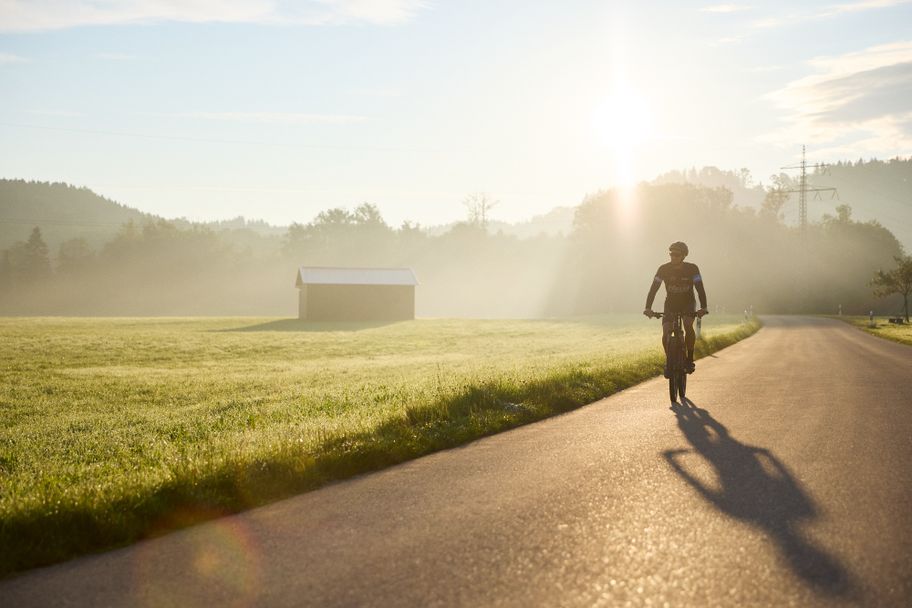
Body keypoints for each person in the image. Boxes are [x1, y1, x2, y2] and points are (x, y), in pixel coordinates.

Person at [643, 241, 708, 376]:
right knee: (666, 331)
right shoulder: (663, 269)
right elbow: (653, 289)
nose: (673, 257)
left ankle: (689, 359)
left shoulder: (692, 269)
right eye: (671, 254)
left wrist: (703, 307)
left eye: (677, 255)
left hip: (688, 302)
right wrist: (648, 307)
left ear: (683, 256)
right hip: (671, 303)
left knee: (687, 324)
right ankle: (669, 361)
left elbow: (700, 288)